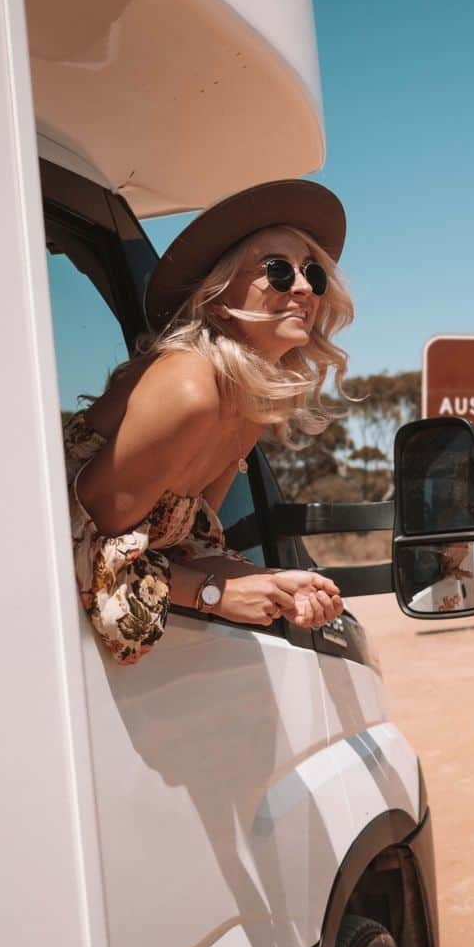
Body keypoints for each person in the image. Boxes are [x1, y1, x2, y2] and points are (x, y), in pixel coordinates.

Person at [63, 179, 349, 665]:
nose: (303, 287)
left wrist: (272, 585)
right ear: (217, 299)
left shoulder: (248, 404)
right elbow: (81, 546)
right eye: (278, 271)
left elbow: (185, 545)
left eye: (313, 275)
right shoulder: (190, 388)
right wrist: (215, 595)